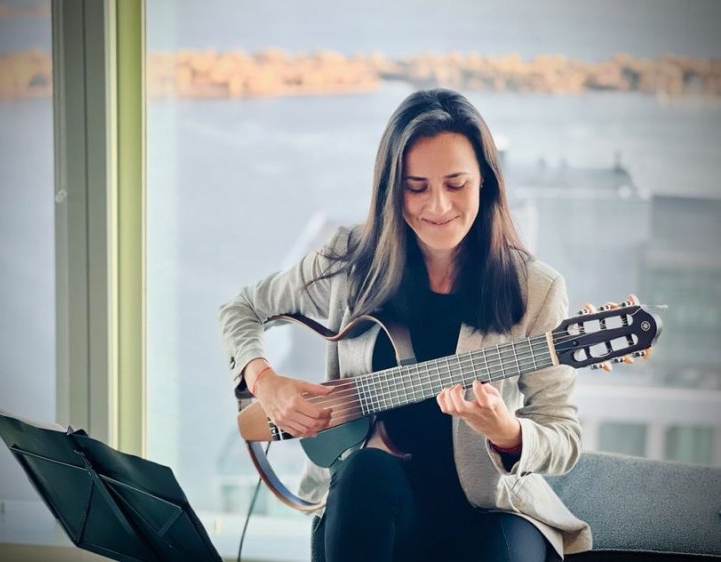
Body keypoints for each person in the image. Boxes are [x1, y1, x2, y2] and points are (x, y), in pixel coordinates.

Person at [219, 88, 604, 561]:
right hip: (377, 500)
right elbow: (242, 308)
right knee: (364, 473)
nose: (438, 206)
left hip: (491, 509)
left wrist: (508, 433)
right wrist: (265, 381)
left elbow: (563, 434)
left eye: (456, 184)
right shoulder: (350, 262)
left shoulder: (536, 288)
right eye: (416, 187)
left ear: (485, 181)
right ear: (390, 189)